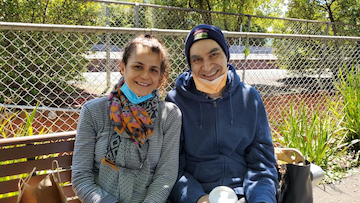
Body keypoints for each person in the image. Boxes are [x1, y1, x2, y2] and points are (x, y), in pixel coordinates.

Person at [166, 24, 278, 203]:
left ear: (227, 55)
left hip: (244, 194)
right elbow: (171, 167)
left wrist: (261, 199)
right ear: (190, 64)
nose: (207, 66)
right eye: (197, 60)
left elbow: (262, 164)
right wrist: (197, 198)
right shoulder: (175, 102)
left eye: (214, 54)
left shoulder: (250, 98)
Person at [72, 34, 182, 203]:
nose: (145, 76)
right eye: (138, 67)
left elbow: (165, 177)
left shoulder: (169, 116)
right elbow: (81, 177)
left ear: (161, 77)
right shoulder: (93, 111)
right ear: (122, 67)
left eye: (153, 70)